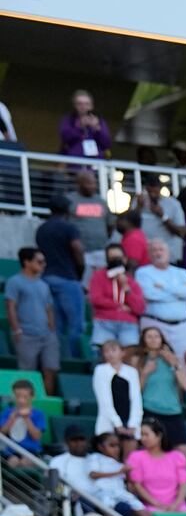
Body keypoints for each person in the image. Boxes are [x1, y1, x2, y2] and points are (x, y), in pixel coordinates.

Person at [36, 198, 89, 371]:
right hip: (67, 279)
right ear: (67, 211)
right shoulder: (69, 228)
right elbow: (77, 249)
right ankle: (74, 361)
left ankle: (57, 360)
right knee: (76, 325)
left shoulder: (41, 229)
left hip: (45, 279)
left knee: (56, 326)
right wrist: (80, 272)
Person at [8, 247, 60, 393]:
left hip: (47, 335)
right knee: (27, 373)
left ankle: (47, 402)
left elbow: (49, 308)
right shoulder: (14, 282)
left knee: (51, 369)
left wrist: (52, 330)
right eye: (39, 261)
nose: (43, 265)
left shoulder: (43, 285)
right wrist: (17, 329)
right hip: (26, 333)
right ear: (27, 262)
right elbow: (11, 306)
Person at [134, 239, 186, 354]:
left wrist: (164, 287)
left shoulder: (182, 272)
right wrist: (179, 294)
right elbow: (150, 295)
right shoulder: (143, 272)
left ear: (168, 253)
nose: (158, 253)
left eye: (161, 250)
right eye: (154, 250)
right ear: (149, 254)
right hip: (155, 326)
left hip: (182, 327)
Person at [85, 244, 144, 353]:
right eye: (111, 258)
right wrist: (118, 306)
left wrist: (125, 287)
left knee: (131, 353)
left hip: (127, 323)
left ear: (125, 259)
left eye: (119, 258)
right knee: (103, 353)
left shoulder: (132, 282)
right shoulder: (98, 276)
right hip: (104, 321)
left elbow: (139, 308)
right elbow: (96, 299)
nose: (115, 261)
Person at [124, 419, 186, 514]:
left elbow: (183, 484)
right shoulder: (136, 457)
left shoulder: (177, 456)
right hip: (150, 506)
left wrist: (175, 505)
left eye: (146, 434)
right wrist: (157, 504)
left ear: (159, 436)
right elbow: (137, 485)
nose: (143, 439)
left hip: (178, 505)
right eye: (141, 435)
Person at [91, 337, 143, 439]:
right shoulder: (100, 370)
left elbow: (136, 398)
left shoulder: (132, 371)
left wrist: (133, 424)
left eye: (113, 350)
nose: (110, 354)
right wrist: (117, 424)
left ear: (122, 352)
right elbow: (104, 399)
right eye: (106, 351)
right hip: (108, 421)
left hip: (129, 420)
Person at [0, 379, 46, 477]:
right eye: (18, 396)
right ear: (13, 396)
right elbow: (2, 433)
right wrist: (11, 419)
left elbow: (36, 436)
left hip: (31, 452)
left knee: (26, 462)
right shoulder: (7, 412)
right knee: (13, 462)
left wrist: (26, 419)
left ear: (32, 397)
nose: (21, 400)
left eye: (25, 397)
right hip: (11, 452)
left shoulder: (38, 414)